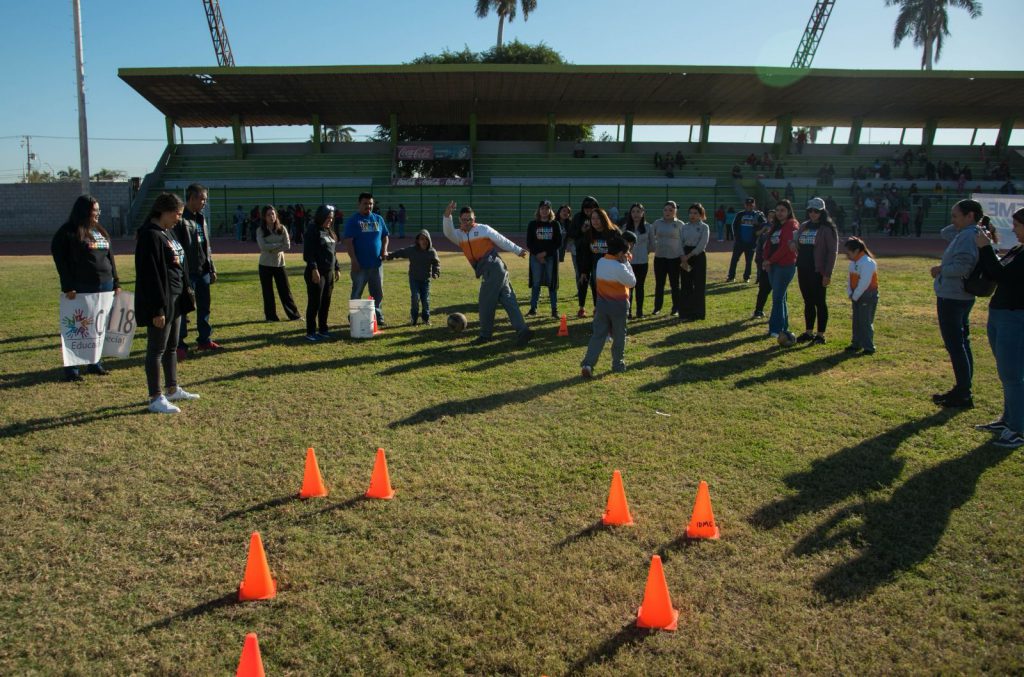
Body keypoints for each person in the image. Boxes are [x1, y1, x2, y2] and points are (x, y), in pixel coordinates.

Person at [134, 193, 200, 414]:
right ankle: (155, 397)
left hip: (176, 298)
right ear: (164, 211)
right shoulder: (149, 236)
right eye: (177, 214)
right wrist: (157, 309)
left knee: (173, 346)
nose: (179, 219)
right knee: (156, 349)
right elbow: (150, 276)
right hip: (162, 300)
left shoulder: (168, 232)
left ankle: (172, 388)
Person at [442, 201, 533, 346]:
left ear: (474, 218)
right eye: (464, 219)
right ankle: (523, 330)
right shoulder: (458, 235)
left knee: (485, 302)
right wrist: (447, 214)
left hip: (492, 267)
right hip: (497, 269)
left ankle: (485, 335)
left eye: (470, 219)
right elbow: (447, 232)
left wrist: (517, 250)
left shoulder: (483, 229)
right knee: (508, 300)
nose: (467, 222)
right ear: (460, 219)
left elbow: (500, 239)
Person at [50, 195, 121, 382]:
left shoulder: (99, 231)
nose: (98, 214)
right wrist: (68, 286)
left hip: (105, 286)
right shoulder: (67, 233)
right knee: (78, 327)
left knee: (98, 327)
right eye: (94, 211)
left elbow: (110, 257)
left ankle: (94, 362)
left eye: (99, 210)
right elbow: (61, 261)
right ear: (83, 211)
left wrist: (116, 282)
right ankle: (72, 368)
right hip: (81, 287)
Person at [973, 209, 1024, 448]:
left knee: (1012, 376)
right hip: (1001, 315)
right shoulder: (1018, 250)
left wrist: (984, 247)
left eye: (1017, 224)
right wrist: (989, 245)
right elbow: (996, 269)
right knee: (1007, 374)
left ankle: (1019, 429)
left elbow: (999, 274)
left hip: (1014, 318)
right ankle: (1009, 420)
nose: (1013, 229)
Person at [930, 199, 985, 408]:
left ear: (969, 215)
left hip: (954, 297)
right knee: (961, 343)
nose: (952, 220)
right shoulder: (969, 233)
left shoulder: (969, 236)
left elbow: (963, 266)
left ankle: (963, 392)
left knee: (956, 345)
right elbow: (945, 232)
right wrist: (965, 223)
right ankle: (963, 388)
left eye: (956, 215)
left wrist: (941, 270)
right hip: (958, 296)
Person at [174, 183, 220, 360]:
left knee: (204, 306)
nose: (204, 203)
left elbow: (206, 246)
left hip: (203, 271)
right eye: (201, 199)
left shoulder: (201, 218)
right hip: (187, 272)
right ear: (191, 198)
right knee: (184, 309)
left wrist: (211, 267)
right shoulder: (180, 219)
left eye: (205, 200)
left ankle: (204, 339)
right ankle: (180, 345)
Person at [580, 233, 635, 377]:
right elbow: (632, 282)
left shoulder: (601, 262)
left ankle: (588, 364)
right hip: (619, 307)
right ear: (620, 253)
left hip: (602, 305)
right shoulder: (620, 267)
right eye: (626, 252)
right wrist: (627, 263)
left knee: (598, 336)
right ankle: (618, 364)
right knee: (619, 336)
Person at [794, 197, 839, 345]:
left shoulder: (827, 229)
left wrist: (827, 274)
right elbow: (797, 243)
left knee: (820, 302)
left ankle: (820, 335)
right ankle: (808, 332)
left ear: (822, 212)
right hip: (803, 268)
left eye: (816, 211)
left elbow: (832, 253)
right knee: (808, 301)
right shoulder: (804, 226)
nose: (813, 213)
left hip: (818, 271)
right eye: (810, 211)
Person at [342, 192, 389, 328]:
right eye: (365, 203)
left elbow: (385, 236)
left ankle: (378, 315)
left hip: (376, 265)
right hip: (360, 265)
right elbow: (349, 242)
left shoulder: (378, 219)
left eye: (370, 204)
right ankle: (354, 316)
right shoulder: (353, 221)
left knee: (378, 293)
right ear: (359, 204)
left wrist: (384, 249)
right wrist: (354, 261)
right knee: (357, 291)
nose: (368, 206)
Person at [256, 205, 301, 322]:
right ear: (264, 217)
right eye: (268, 215)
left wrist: (271, 247)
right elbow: (263, 246)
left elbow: (287, 245)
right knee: (268, 292)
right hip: (265, 265)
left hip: (280, 264)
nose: (271, 216)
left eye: (273, 214)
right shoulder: (260, 230)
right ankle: (271, 317)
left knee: (285, 291)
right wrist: (277, 245)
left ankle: (294, 316)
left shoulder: (282, 228)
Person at [386, 229, 441, 326]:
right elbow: (401, 252)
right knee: (415, 298)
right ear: (418, 241)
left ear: (429, 240)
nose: (424, 241)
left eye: (426, 239)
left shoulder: (432, 252)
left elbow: (436, 263)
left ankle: (426, 319)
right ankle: (414, 318)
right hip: (414, 279)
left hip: (425, 280)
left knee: (425, 300)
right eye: (421, 239)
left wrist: (435, 272)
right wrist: (390, 256)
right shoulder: (412, 250)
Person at [303, 205, 341, 341]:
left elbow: (333, 252)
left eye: (331, 218)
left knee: (326, 302)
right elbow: (308, 253)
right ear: (321, 216)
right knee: (315, 302)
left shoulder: (329, 231)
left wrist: (337, 268)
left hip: (328, 272)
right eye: (327, 217)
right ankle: (311, 331)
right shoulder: (312, 230)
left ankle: (323, 329)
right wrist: (314, 269)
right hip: (316, 272)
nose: (330, 220)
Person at [762, 200, 800, 338]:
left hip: (784, 266)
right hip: (772, 265)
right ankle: (783, 327)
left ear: (789, 211)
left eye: (782, 210)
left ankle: (776, 329)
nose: (779, 213)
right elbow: (767, 244)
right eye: (777, 210)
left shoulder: (792, 224)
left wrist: (770, 260)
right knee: (780, 297)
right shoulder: (775, 226)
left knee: (777, 297)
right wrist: (766, 260)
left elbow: (785, 248)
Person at [578, 208, 624, 315]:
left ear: (604, 218)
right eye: (593, 218)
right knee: (596, 289)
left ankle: (612, 312)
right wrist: (584, 271)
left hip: (612, 268)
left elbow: (624, 246)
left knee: (610, 291)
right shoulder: (589, 234)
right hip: (596, 268)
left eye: (598, 218)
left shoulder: (613, 232)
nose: (595, 221)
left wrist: (621, 254)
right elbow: (586, 254)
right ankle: (598, 309)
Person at [525, 200, 562, 318]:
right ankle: (533, 309)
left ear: (550, 210)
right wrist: (538, 255)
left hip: (550, 257)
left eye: (547, 209)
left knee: (552, 283)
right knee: (536, 283)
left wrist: (545, 254)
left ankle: (554, 310)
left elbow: (558, 243)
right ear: (538, 210)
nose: (544, 211)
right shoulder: (532, 224)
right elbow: (529, 242)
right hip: (536, 258)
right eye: (542, 208)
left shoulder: (555, 224)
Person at [844, 237, 879, 356]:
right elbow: (849, 279)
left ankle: (869, 347)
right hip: (856, 296)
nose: (847, 254)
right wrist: (850, 292)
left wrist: (855, 295)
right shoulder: (853, 263)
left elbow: (864, 282)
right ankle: (856, 344)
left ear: (857, 250)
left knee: (865, 322)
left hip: (867, 296)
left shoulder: (868, 263)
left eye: (849, 251)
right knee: (856, 321)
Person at [678, 203, 710, 322]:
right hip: (684, 256)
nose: (692, 215)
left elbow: (702, 244)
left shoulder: (704, 227)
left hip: (698, 256)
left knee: (699, 285)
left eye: (695, 213)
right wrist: (683, 256)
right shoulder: (684, 227)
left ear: (701, 215)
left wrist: (689, 255)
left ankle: (698, 313)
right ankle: (685, 312)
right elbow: (680, 242)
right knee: (686, 284)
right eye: (691, 213)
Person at [651, 201, 684, 316]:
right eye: (665, 210)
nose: (668, 212)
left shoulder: (680, 224)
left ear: (675, 211)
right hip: (659, 257)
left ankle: (676, 308)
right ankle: (657, 308)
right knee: (659, 284)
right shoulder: (657, 223)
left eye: (671, 210)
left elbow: (684, 241)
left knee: (674, 284)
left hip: (674, 258)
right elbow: (651, 237)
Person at [623, 203, 654, 319]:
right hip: (628, 263)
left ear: (643, 213)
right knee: (629, 287)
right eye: (633, 212)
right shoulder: (625, 227)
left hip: (642, 262)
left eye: (638, 211)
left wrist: (645, 252)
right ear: (630, 214)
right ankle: (628, 311)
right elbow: (622, 243)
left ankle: (639, 312)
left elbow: (652, 244)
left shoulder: (648, 227)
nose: (635, 214)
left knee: (640, 287)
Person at [571, 196, 600, 317]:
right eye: (586, 208)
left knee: (595, 282)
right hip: (581, 253)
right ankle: (581, 307)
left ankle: (596, 307)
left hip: (596, 253)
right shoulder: (578, 217)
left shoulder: (600, 217)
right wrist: (582, 230)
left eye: (591, 208)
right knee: (582, 279)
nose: (588, 210)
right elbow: (571, 233)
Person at [727, 197, 766, 283]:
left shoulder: (758, 215)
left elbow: (764, 224)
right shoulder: (740, 214)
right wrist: (737, 237)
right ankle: (731, 276)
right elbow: (734, 225)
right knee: (734, 260)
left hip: (751, 243)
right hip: (739, 242)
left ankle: (746, 277)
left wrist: (761, 217)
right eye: (747, 205)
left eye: (751, 205)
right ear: (745, 205)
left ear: (754, 205)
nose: (749, 206)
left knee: (749, 261)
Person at [752, 209, 778, 319]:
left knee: (778, 291)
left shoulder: (781, 231)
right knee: (763, 288)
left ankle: (777, 313)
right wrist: (760, 261)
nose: (771, 219)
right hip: (765, 264)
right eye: (770, 217)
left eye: (774, 217)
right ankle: (758, 310)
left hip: (778, 265)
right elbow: (759, 249)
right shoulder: (764, 233)